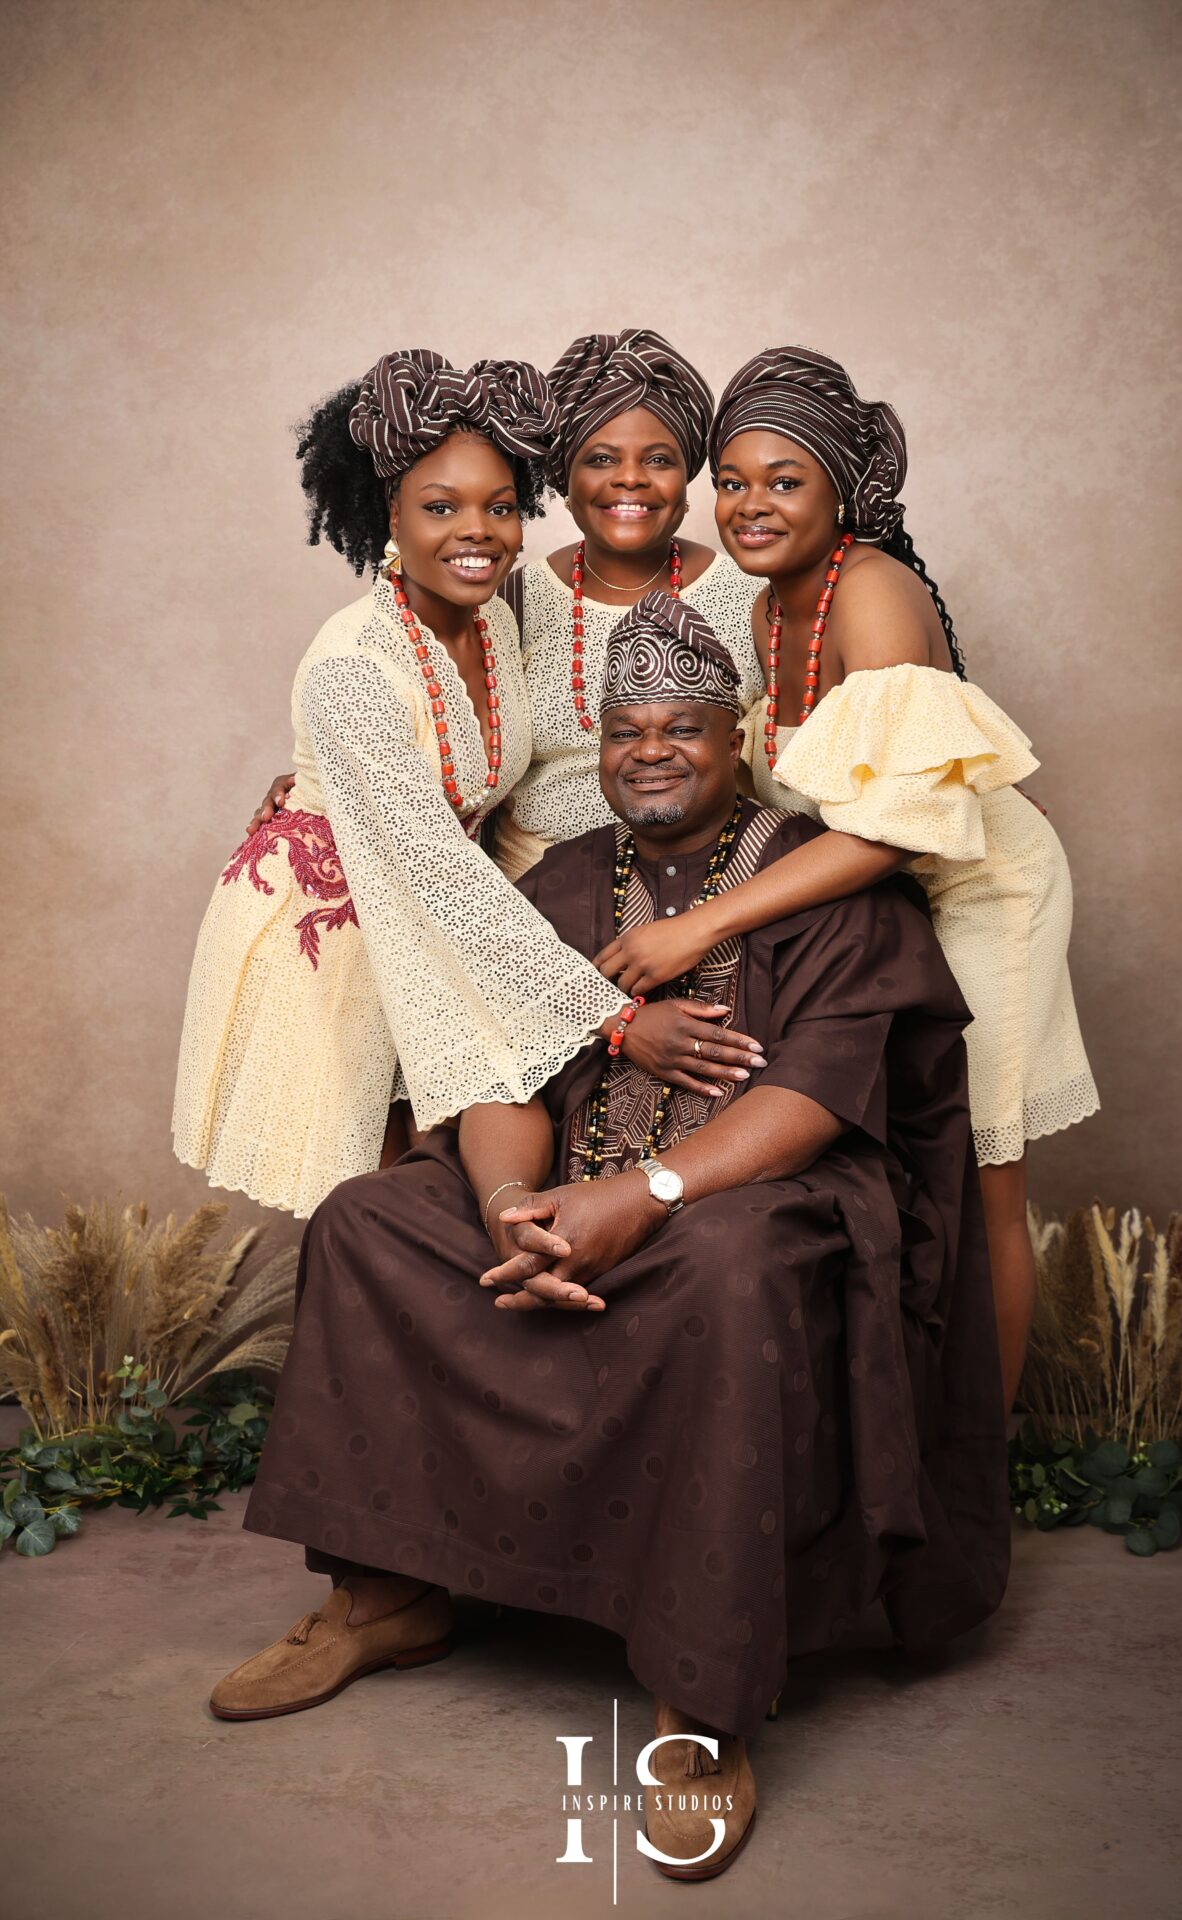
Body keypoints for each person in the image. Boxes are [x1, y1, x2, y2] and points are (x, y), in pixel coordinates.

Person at [215, 592, 1009, 1882]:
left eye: (681, 728)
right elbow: (497, 1065)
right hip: (562, 1184)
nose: (651, 749)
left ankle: (698, 1706)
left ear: (735, 734)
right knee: (369, 1222)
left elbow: (809, 1101)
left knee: (730, 1274)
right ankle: (391, 1593)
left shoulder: (825, 882)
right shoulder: (573, 876)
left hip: (745, 1200)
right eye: (627, 728)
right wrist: (509, 1213)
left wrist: (639, 1203)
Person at [595, 346, 1100, 1413]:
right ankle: (899, 1437)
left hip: (973, 887)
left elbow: (886, 831)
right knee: (902, 1164)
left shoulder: (868, 592)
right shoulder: (770, 603)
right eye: (730, 482)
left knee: (976, 1171)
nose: (748, 506)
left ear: (839, 489)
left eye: (783, 482)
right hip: (881, 897)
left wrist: (697, 929)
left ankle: (979, 1467)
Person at [172, 348, 748, 1220]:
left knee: (434, 1195)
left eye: (501, 507)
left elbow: (449, 787)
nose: (475, 530)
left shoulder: (490, 623)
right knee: (370, 1207)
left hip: (449, 917)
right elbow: (434, 869)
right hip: (340, 937)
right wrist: (620, 1022)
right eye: (440, 508)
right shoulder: (353, 667)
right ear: (388, 517)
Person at [249, 330, 765, 882]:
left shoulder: (754, 596)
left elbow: (792, 760)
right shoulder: (506, 601)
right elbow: (437, 727)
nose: (630, 477)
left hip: (708, 889)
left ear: (688, 479)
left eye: (659, 458)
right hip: (529, 896)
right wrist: (321, 786)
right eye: (600, 457)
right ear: (563, 477)